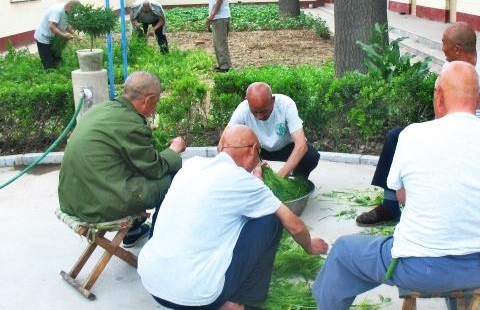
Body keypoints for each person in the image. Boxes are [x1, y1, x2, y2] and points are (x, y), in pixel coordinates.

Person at [313, 61, 480, 310]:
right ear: (477, 99)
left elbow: (402, 197)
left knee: (344, 251)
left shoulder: (412, 135)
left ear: (439, 96)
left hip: (418, 268)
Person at [138, 125, 328, 310]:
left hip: (152, 283)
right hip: (199, 297)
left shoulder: (191, 166)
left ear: (220, 148)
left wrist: (257, 176)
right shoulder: (242, 182)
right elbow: (294, 226)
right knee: (270, 221)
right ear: (254, 150)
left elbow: (244, 188)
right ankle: (238, 302)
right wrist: (310, 247)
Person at [356, 21, 479, 226]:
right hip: (445, 125)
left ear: (457, 49)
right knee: (397, 136)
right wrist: (439, 128)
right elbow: (439, 103)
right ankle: (390, 205)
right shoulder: (448, 66)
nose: (442, 48)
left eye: (444, 43)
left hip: (472, 132)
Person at [58, 71, 186, 247]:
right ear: (149, 100)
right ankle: (160, 242)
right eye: (155, 103)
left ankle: (134, 230)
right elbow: (155, 168)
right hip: (96, 206)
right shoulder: (131, 123)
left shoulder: (100, 109)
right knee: (173, 179)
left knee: (136, 175)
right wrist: (174, 150)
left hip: (72, 200)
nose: (154, 109)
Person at [227, 82, 319, 178]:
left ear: (273, 100)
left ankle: (296, 181)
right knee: (234, 151)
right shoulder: (242, 109)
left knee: (311, 156)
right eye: (254, 112)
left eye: (263, 111)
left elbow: (301, 146)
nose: (259, 116)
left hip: (285, 147)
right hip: (258, 150)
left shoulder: (286, 104)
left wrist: (279, 178)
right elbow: (224, 143)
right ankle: (246, 181)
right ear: (247, 102)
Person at [200, 0, 232, 72]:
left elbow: (219, 0)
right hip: (217, 18)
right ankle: (222, 65)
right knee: (217, 43)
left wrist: (211, 15)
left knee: (221, 42)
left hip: (220, 17)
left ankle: (225, 67)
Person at [34, 0, 80, 69]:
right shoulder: (57, 11)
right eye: (75, 11)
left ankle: (58, 70)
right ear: (71, 7)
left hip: (53, 38)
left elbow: (66, 26)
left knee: (57, 59)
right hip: (44, 38)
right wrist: (64, 35)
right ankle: (49, 74)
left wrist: (75, 35)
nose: (75, 13)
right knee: (48, 63)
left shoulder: (67, 12)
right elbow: (52, 26)